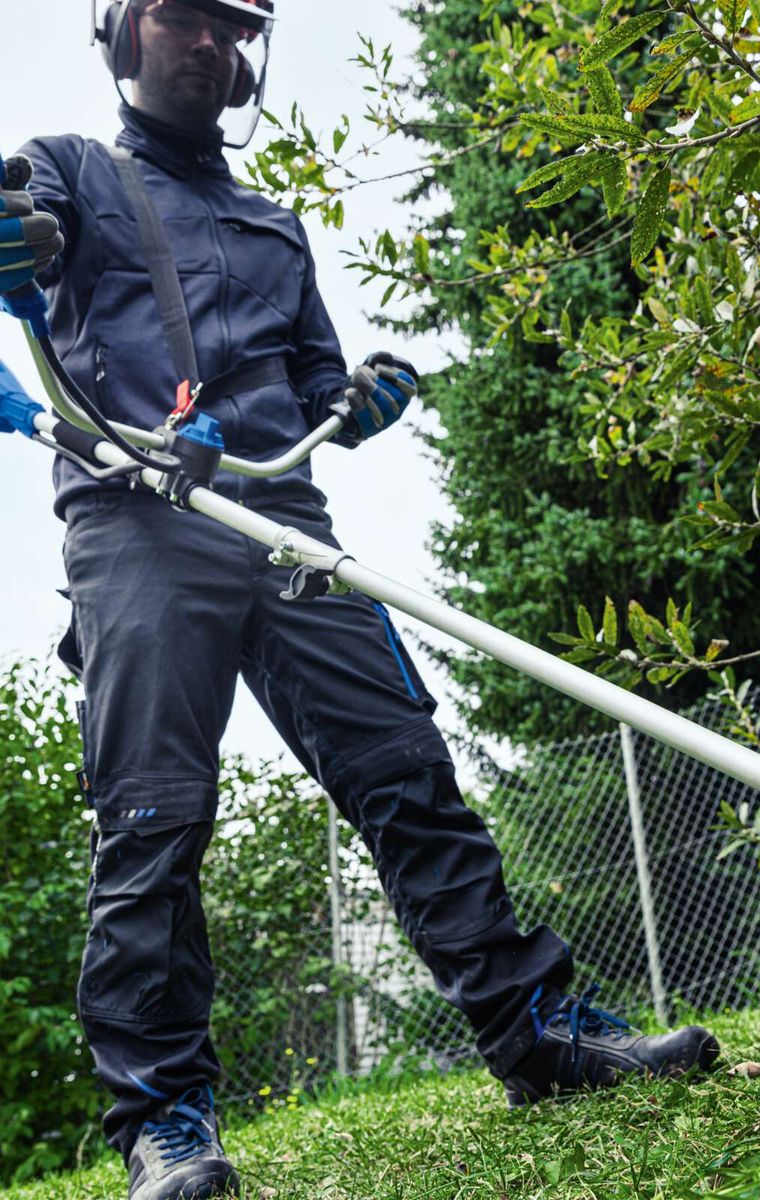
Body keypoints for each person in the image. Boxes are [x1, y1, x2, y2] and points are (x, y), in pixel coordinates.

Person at [0, 2, 720, 1197]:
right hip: (138, 526)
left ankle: (539, 1032)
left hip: (286, 531)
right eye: (180, 18)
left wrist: (359, 398)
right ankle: (168, 1123)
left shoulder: (274, 227)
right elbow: (25, 233)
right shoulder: (73, 173)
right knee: (152, 825)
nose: (207, 45)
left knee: (411, 778)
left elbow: (315, 377)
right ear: (124, 36)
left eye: (229, 30)